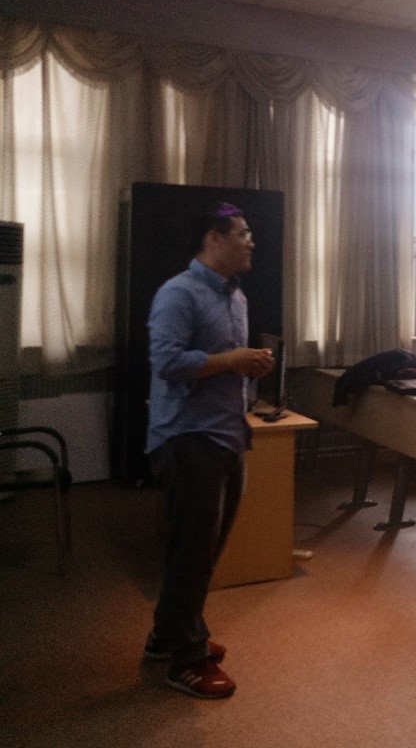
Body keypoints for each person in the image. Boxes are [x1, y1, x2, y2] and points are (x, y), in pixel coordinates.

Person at [144, 203, 275, 699]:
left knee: (205, 548)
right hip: (188, 438)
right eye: (242, 234)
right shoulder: (178, 293)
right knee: (193, 553)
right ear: (213, 238)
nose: (251, 242)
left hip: (226, 433)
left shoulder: (236, 296)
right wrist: (231, 359)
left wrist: (248, 366)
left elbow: (223, 365)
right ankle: (186, 659)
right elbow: (167, 362)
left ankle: (167, 634)